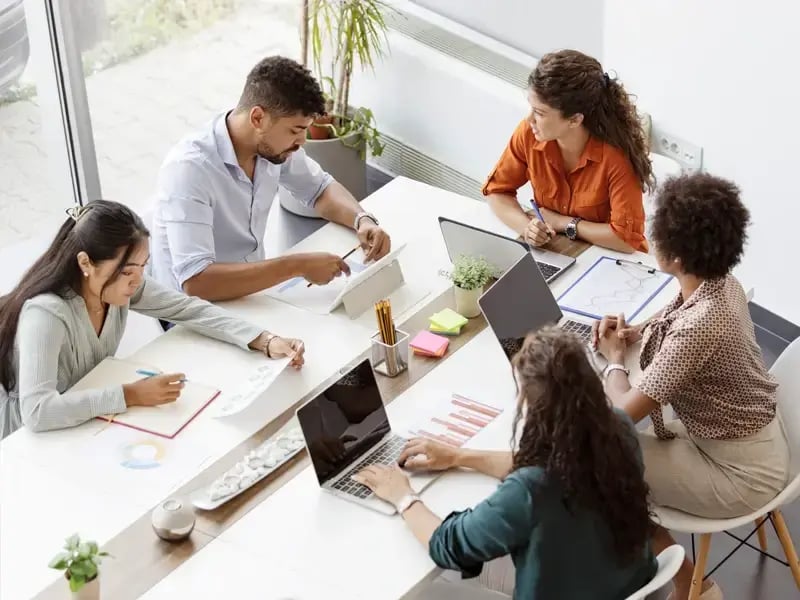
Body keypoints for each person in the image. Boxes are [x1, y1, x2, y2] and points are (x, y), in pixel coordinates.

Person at [594, 173, 790, 600]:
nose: (650, 235)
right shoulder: (720, 283)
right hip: (757, 443)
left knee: (601, 465)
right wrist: (635, 334)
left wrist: (612, 362)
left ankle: (692, 589)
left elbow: (623, 413)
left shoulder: (700, 327)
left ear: (677, 257)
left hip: (740, 473)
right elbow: (675, 319)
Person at [355, 326, 657, 599]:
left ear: (532, 404)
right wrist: (460, 457)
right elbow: (561, 465)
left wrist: (403, 497)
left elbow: (449, 545)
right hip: (621, 583)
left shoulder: (529, 491)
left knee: (430, 590)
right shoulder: (617, 428)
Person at [0, 201, 305, 439]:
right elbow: (37, 412)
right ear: (85, 263)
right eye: (128, 271)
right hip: (26, 441)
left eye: (143, 267)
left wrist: (264, 339)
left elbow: (189, 309)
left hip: (83, 420)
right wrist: (131, 394)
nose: (137, 282)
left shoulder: (118, 288)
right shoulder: (46, 314)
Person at [149, 55, 392, 302]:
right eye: (295, 130)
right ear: (257, 118)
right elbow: (196, 282)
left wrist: (362, 220)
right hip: (194, 312)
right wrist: (296, 266)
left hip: (251, 294)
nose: (302, 142)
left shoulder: (274, 147)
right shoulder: (189, 169)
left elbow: (320, 189)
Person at [483, 49, 653, 254]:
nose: (530, 120)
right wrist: (527, 228)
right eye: (532, 108)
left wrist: (564, 223)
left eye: (540, 113)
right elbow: (497, 191)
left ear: (575, 120)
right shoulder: (529, 134)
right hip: (556, 250)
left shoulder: (616, 158)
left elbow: (625, 240)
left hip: (611, 261)